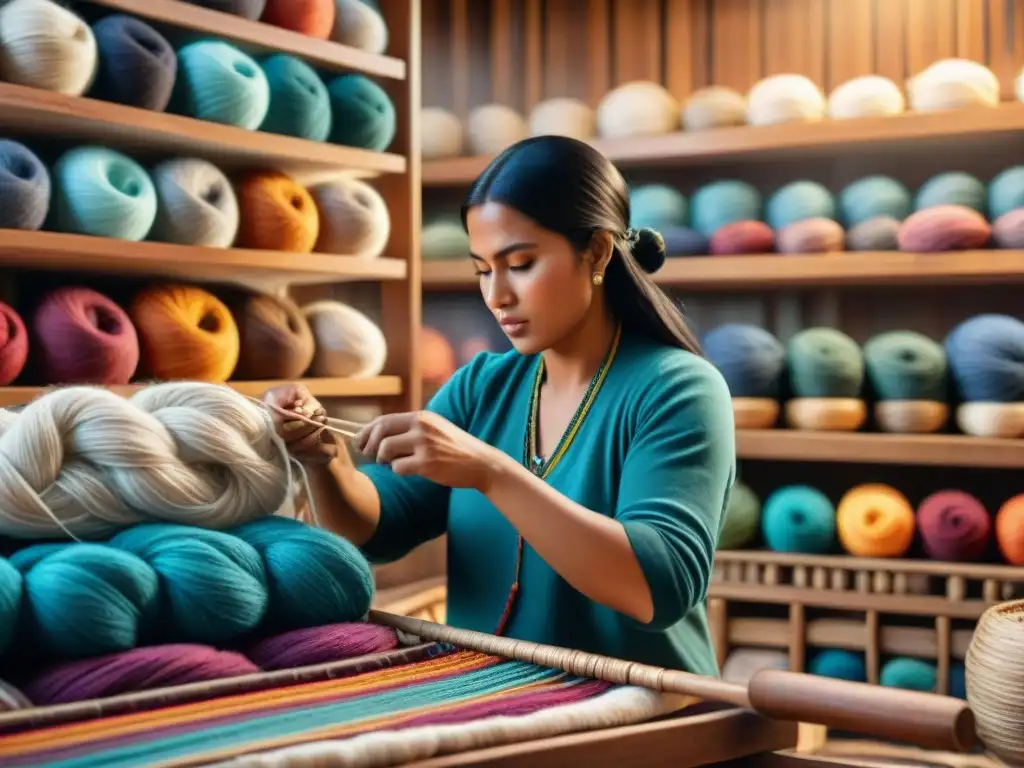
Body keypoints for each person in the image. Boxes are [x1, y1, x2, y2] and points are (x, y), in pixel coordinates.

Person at [264, 135, 736, 675]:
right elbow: (380, 527)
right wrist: (324, 460)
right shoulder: (485, 386)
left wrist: (490, 472)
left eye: (521, 263)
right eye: (483, 269)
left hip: (644, 720)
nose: (497, 296)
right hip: (492, 704)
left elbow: (659, 586)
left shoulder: (679, 390)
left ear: (598, 252)